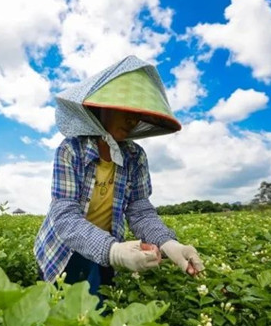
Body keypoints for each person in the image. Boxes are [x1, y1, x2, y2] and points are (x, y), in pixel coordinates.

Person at [34, 55, 204, 296]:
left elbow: (139, 210)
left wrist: (169, 244)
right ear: (101, 109)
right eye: (125, 110)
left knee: (97, 313)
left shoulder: (135, 156)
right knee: (57, 313)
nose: (132, 120)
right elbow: (65, 216)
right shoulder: (71, 150)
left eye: (137, 114)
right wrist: (113, 251)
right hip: (64, 249)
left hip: (109, 246)